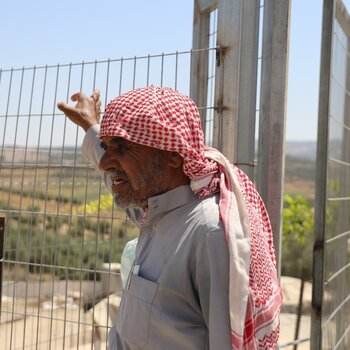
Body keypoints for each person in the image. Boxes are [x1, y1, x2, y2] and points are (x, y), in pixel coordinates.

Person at [57, 86, 282, 350]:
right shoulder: (157, 209)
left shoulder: (209, 233)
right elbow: (119, 176)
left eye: (121, 146)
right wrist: (90, 126)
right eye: (106, 147)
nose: (105, 163)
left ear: (174, 153)